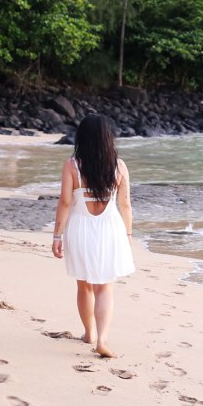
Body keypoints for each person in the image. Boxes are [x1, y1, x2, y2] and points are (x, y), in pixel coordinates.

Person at [51, 114, 136, 358]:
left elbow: (66, 202)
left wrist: (57, 236)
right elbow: (126, 205)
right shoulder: (119, 166)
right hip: (110, 229)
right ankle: (102, 338)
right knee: (105, 288)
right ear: (108, 139)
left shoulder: (72, 165)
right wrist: (128, 235)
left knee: (84, 285)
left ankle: (88, 333)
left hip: (80, 228)